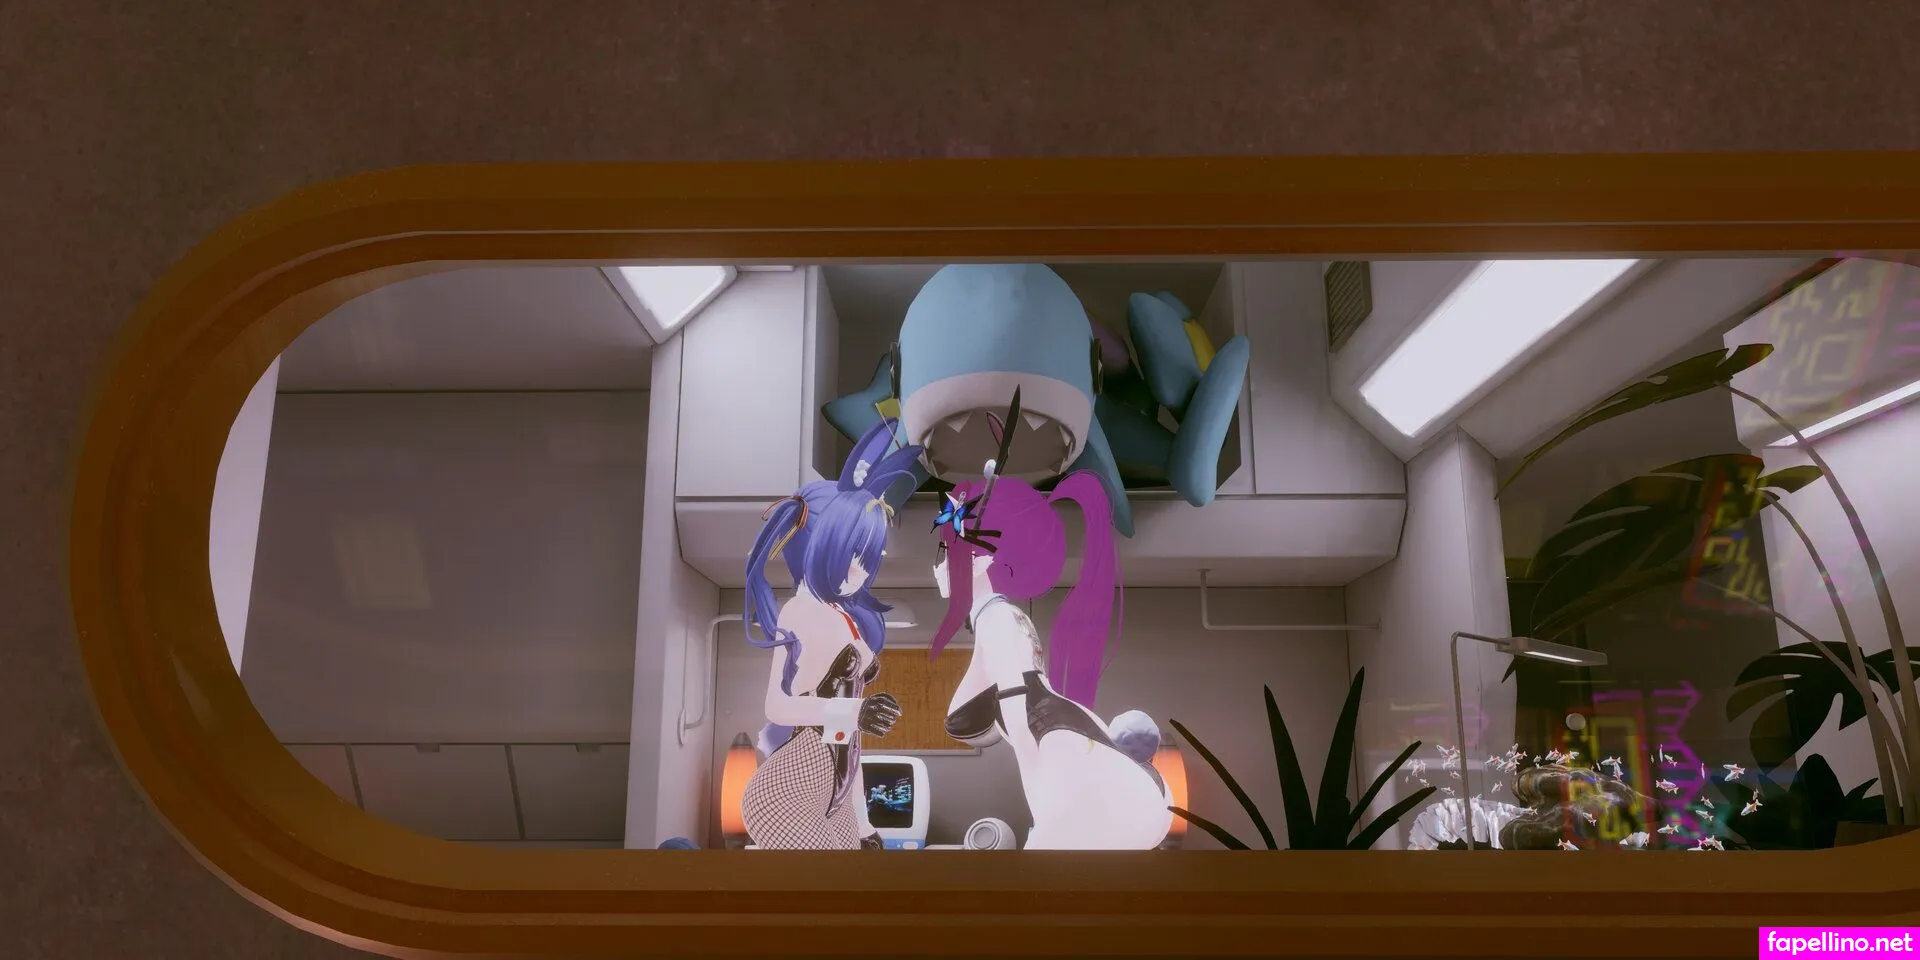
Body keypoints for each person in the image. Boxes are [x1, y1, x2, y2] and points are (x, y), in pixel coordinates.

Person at [928, 465, 1172, 850]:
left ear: (982, 560)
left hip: (1048, 735)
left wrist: (1040, 795)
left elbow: (1015, 714)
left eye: (949, 553)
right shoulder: (1001, 615)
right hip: (1058, 725)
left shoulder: (995, 618)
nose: (940, 567)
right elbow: (976, 708)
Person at [739, 420, 921, 850]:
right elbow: (778, 706)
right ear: (820, 545)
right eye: (851, 553)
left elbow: (846, 743)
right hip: (785, 796)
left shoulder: (842, 616)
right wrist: (855, 710)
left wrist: (863, 824)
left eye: (869, 559)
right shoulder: (800, 610)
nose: (860, 571)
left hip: (831, 794)